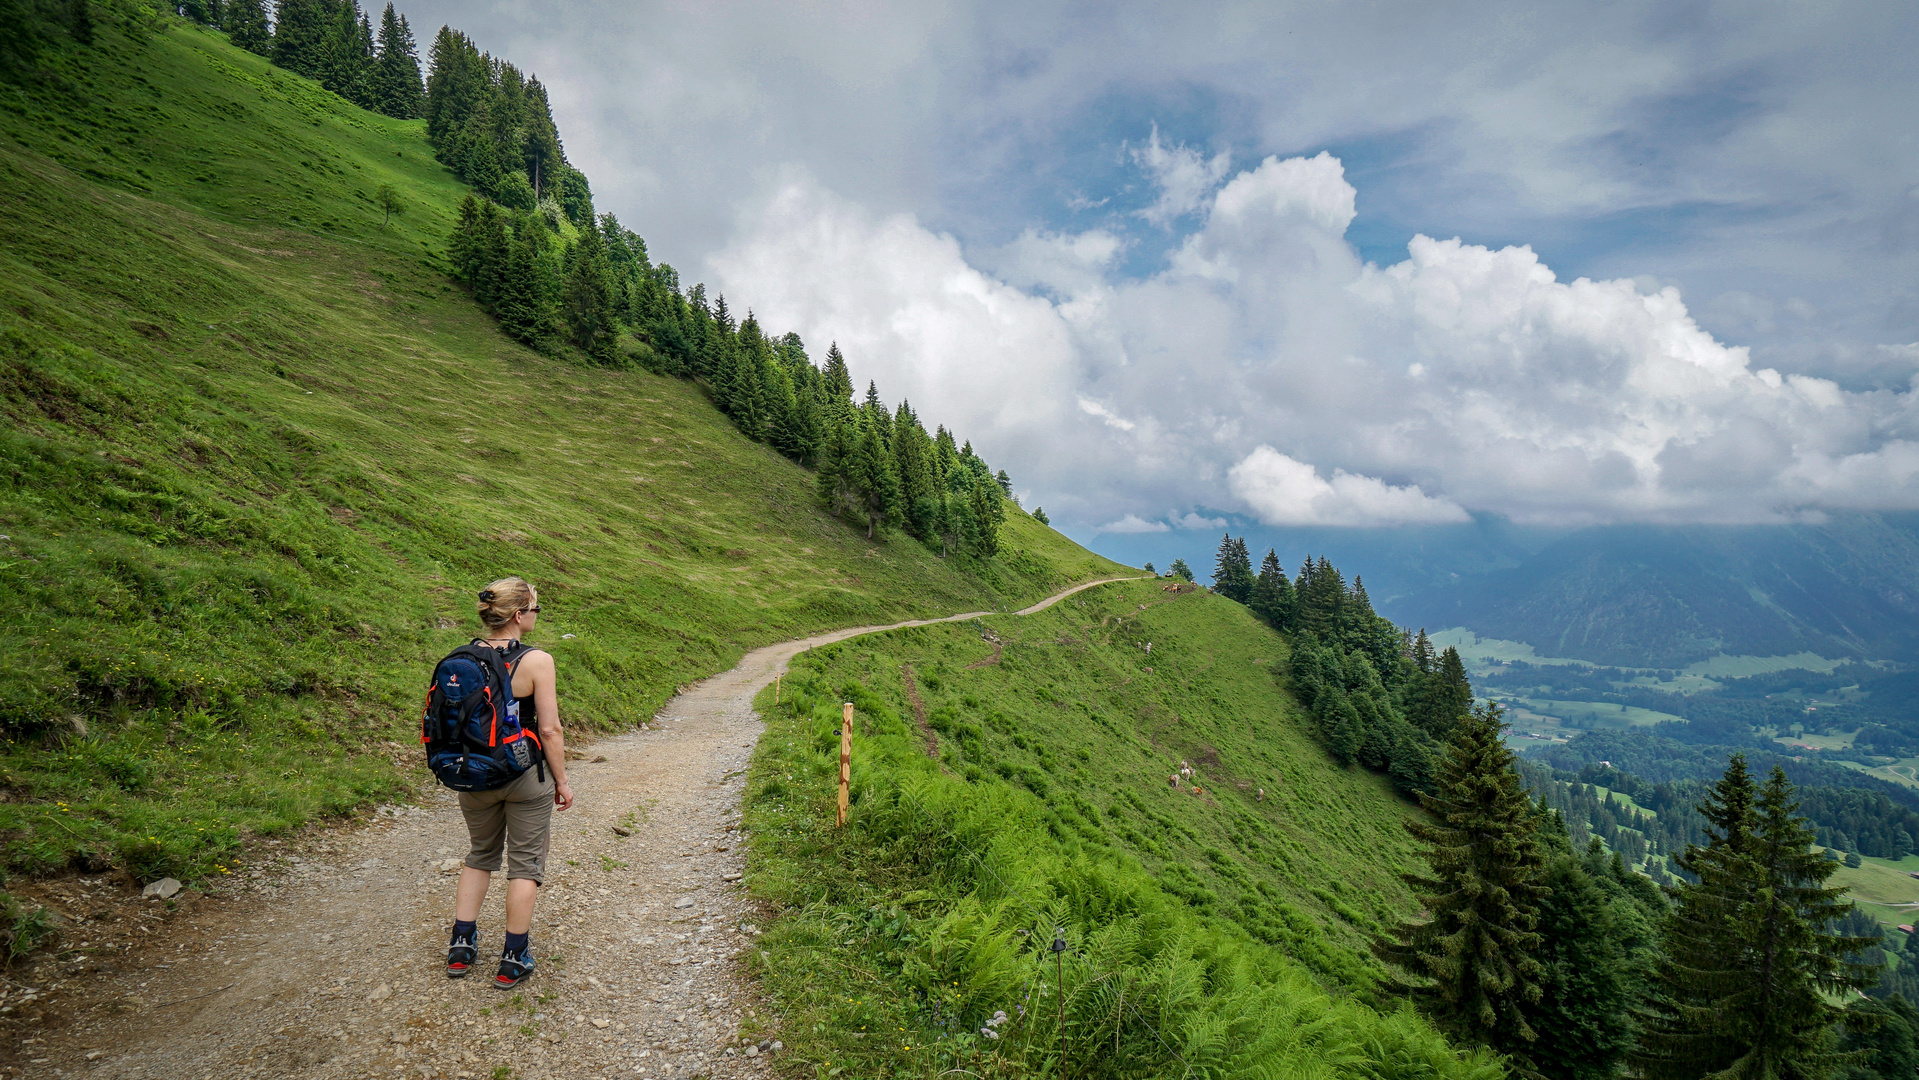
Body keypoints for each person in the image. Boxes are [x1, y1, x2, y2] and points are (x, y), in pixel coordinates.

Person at [445, 577, 574, 988]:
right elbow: (550, 730)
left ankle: (461, 946)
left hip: (474, 773)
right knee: (524, 864)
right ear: (519, 615)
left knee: (480, 855)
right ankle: (513, 955)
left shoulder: (462, 657)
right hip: (523, 776)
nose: (536, 616)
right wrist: (563, 781)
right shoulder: (537, 661)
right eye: (535, 609)